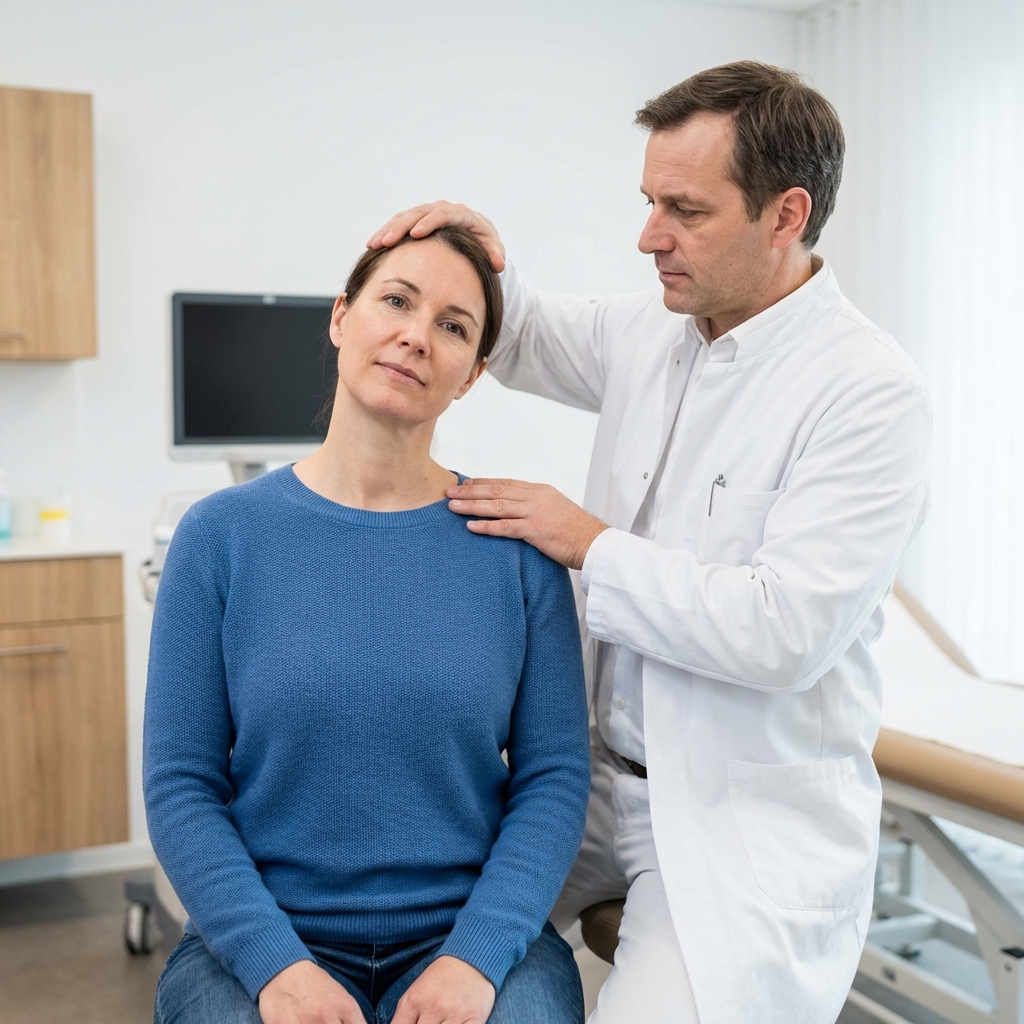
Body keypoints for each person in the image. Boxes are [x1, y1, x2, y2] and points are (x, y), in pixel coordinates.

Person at [368, 62, 932, 1024]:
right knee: (405, 950)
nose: (648, 237)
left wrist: (585, 542)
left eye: (684, 210)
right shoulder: (657, 329)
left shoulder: (867, 392)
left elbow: (783, 633)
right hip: (586, 785)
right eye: (647, 202)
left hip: (733, 817)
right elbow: (526, 332)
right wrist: (469, 253)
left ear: (785, 215)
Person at [144, 226, 591, 1024]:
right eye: (396, 300)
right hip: (269, 934)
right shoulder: (218, 537)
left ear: (473, 373)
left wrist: (476, 956)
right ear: (342, 318)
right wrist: (275, 966)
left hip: (462, 934)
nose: (417, 336)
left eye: (454, 326)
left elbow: (554, 777)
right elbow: (180, 784)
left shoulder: (517, 549)